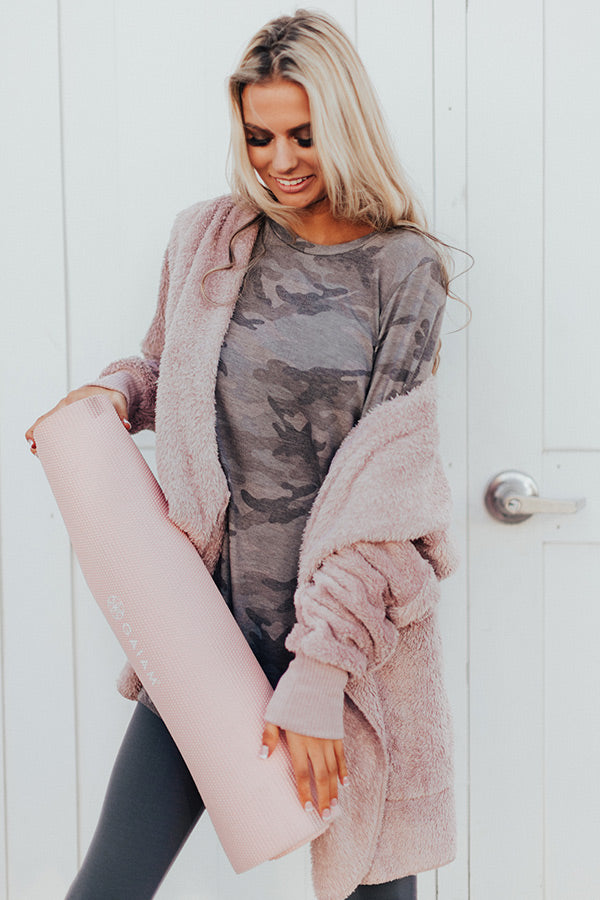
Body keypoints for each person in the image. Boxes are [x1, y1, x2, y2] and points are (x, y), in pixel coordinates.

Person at [26, 10, 458, 900]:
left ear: (345, 125)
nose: (280, 161)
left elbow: (391, 494)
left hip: (351, 649)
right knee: (108, 885)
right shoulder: (211, 239)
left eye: (304, 135)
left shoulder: (404, 268)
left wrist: (320, 674)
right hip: (209, 632)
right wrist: (114, 393)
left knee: (376, 892)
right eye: (260, 137)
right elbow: (170, 370)